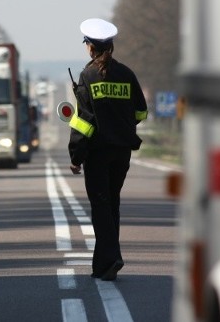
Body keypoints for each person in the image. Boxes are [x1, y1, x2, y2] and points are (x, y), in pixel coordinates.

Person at [67, 18, 148, 281]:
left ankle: (112, 257)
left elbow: (84, 121)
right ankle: (103, 266)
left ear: (90, 47)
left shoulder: (87, 76)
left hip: (99, 153)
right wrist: (123, 122)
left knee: (101, 206)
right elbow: (141, 111)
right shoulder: (127, 74)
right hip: (122, 151)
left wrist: (76, 156)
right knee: (112, 204)